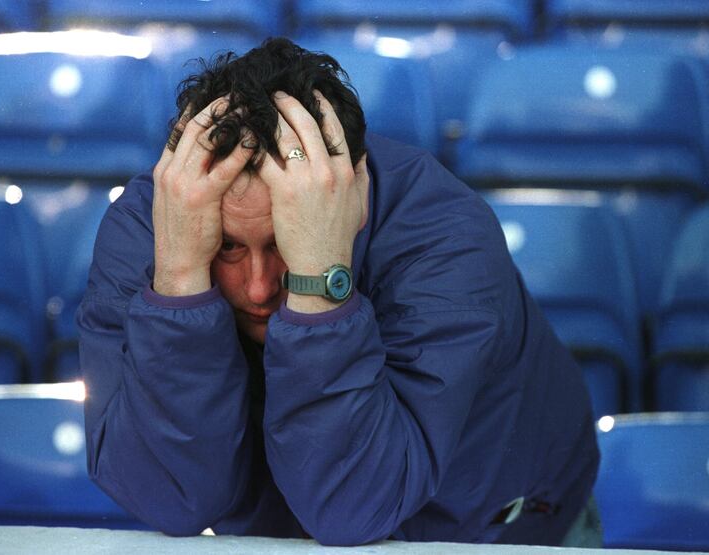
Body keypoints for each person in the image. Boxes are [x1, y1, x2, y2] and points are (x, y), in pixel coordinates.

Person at [77, 38, 600, 546]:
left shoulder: (447, 240)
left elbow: (352, 505)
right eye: (228, 247)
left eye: (284, 241)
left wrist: (319, 282)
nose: (259, 288)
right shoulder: (150, 232)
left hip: (493, 531)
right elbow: (173, 499)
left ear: (357, 196)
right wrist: (180, 279)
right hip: (280, 535)